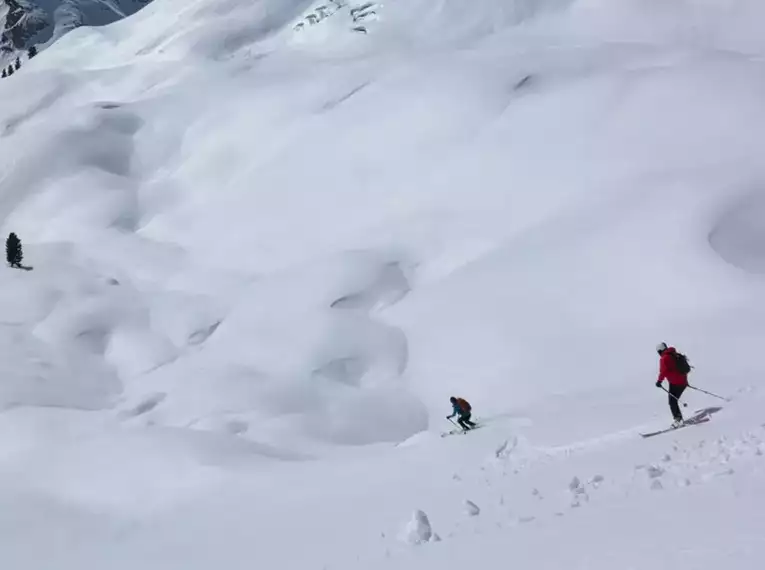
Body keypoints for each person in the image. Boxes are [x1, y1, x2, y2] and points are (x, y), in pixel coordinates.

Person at [655, 342, 689, 427]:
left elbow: (663, 372)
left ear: (659, 351)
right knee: (673, 401)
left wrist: (659, 381)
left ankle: (678, 420)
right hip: (683, 382)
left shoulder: (664, 358)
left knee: (672, 402)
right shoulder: (675, 354)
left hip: (675, 383)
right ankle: (678, 418)